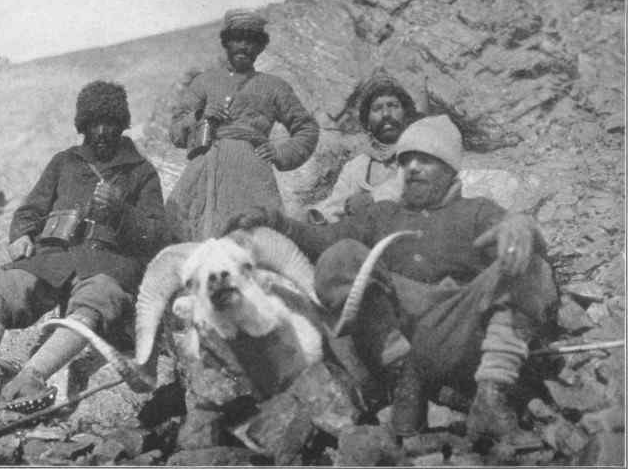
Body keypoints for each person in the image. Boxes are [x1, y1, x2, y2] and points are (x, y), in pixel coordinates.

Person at [227, 114, 558, 441]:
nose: (412, 167)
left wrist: (520, 227)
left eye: (426, 159)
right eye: (406, 160)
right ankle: (404, 381)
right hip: (397, 330)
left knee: (531, 267)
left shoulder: (477, 211)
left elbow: (522, 240)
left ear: (450, 168)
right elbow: (324, 239)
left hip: (459, 329)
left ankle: (491, 394)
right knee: (341, 255)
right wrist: (275, 221)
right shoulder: (382, 214)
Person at [0, 81, 166, 421]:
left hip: (111, 263)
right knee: (4, 288)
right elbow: (30, 211)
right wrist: (23, 234)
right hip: (54, 258)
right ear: (83, 126)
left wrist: (121, 211)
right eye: (94, 123)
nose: (102, 132)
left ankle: (31, 378)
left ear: (122, 125)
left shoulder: (142, 173)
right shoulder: (64, 163)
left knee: (98, 297)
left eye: (110, 123)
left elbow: (156, 236)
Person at [166, 8, 319, 242]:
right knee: (185, 237)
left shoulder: (273, 86)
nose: (244, 47)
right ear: (226, 43)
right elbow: (176, 132)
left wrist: (280, 152)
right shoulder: (204, 81)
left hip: (252, 174)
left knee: (259, 242)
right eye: (238, 39)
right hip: (204, 170)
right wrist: (199, 116)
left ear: (260, 47)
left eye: (252, 41)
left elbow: (306, 128)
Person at [307, 67, 418, 224]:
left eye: (393, 105)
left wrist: (372, 199)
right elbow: (334, 206)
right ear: (367, 122)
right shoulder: (355, 167)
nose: (386, 114)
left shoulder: (419, 154)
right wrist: (317, 217)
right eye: (377, 108)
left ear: (406, 113)